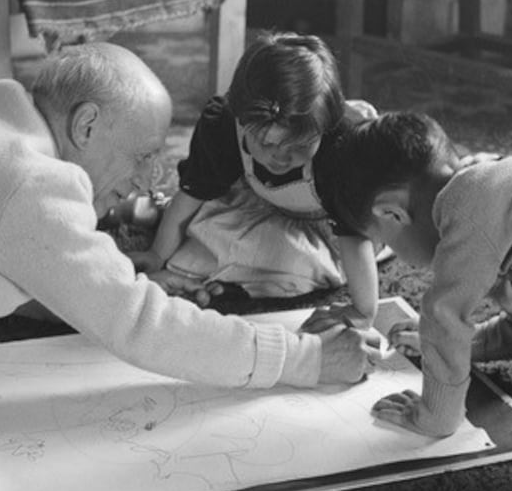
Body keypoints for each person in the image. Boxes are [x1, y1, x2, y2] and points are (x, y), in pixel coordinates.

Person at [0, 42, 383, 405]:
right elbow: (141, 327)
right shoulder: (34, 189)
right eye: (141, 155)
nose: (148, 179)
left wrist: (99, 279)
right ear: (85, 126)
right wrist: (306, 358)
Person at [313, 109, 512, 441]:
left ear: (392, 213)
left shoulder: (466, 203)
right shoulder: (496, 204)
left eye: (383, 241)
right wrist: (474, 342)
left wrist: (435, 416)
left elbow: (444, 317)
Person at [130, 31, 380, 329]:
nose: (281, 158)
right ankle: (156, 207)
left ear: (325, 129)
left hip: (326, 222)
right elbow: (194, 192)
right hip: (256, 199)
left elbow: (352, 236)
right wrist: (157, 254)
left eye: (299, 146)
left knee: (298, 267)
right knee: (196, 244)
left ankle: (156, 212)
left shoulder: (342, 150)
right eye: (266, 143)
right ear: (241, 119)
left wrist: (364, 311)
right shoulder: (224, 124)